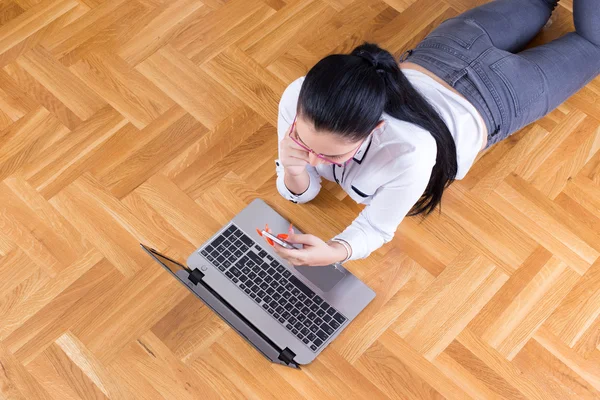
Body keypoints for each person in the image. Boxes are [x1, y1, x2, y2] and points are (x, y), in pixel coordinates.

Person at [263, 0, 600, 267]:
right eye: (302, 140)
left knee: (593, 42)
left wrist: (336, 252)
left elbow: (376, 229)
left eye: (332, 155)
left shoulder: (410, 154)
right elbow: (299, 192)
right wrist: (291, 169)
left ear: (376, 130)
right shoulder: (298, 97)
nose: (312, 157)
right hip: (448, 52)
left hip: (501, 94)